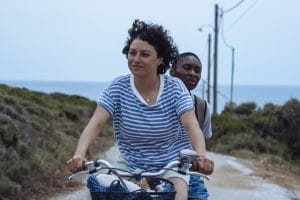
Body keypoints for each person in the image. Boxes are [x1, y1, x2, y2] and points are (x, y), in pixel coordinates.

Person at [67, 19, 214, 200]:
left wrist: (201, 157)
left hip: (170, 167)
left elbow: (192, 125)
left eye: (144, 54)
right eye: (132, 53)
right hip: (129, 165)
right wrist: (79, 154)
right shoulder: (117, 87)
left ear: (159, 59)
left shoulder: (175, 88)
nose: (136, 59)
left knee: (179, 195)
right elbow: (95, 123)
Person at [170, 52, 212, 200]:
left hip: (187, 172)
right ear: (173, 71)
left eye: (197, 70)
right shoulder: (157, 100)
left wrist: (200, 160)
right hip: (155, 168)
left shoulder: (202, 106)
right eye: (187, 68)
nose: (192, 74)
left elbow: (202, 138)